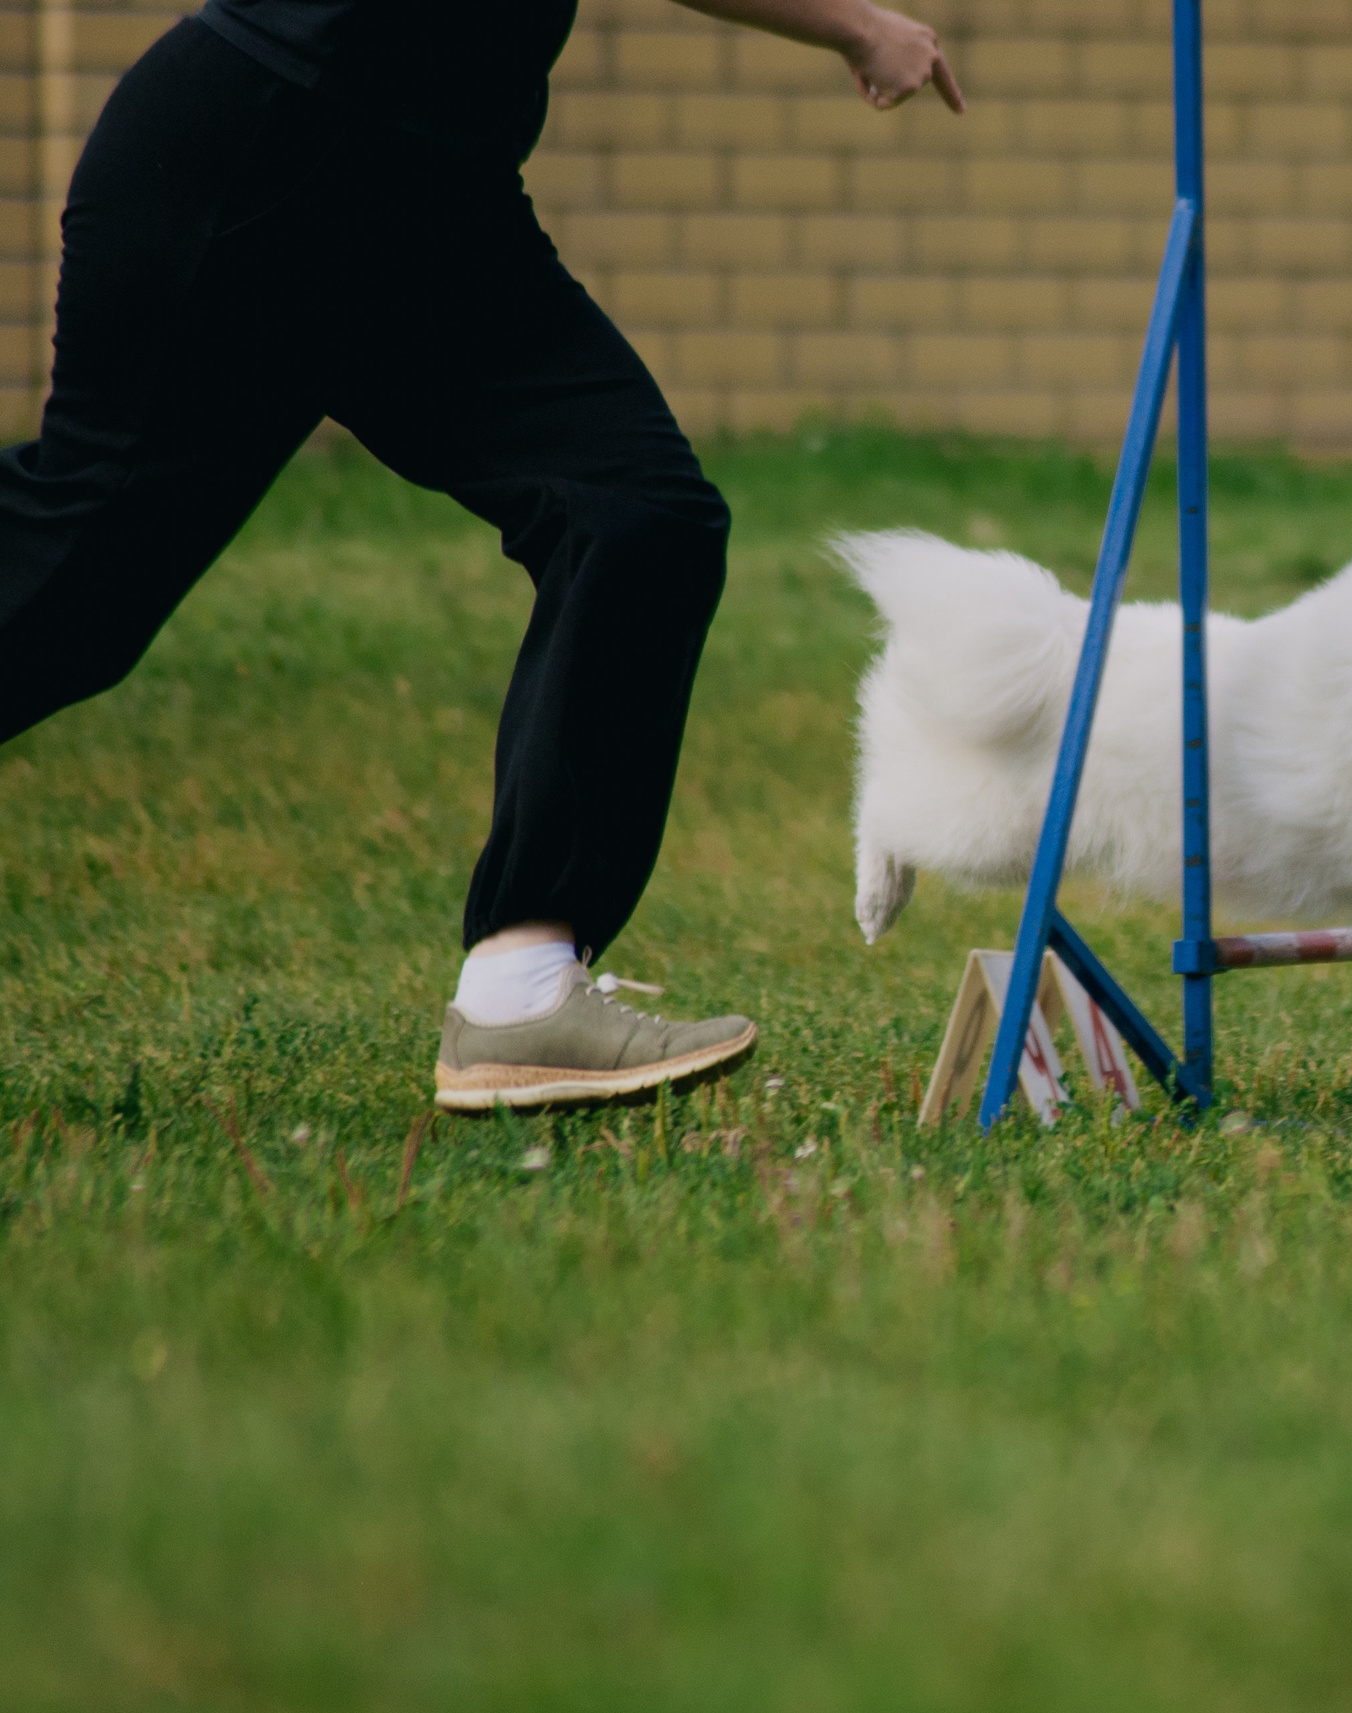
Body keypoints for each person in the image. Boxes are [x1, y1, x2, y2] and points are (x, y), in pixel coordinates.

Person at [0, 0, 962, 1113]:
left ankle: (520, 992)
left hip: (429, 193)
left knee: (637, 516)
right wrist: (854, 25)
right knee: (75, 585)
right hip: (266, 146)